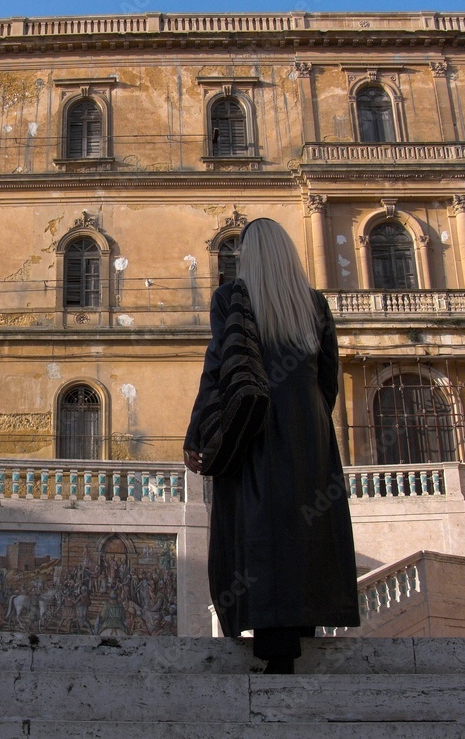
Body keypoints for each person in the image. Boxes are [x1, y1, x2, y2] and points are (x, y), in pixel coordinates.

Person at [184, 218, 360, 674]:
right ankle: (302, 629)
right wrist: (314, 420)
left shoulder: (230, 298)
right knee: (307, 524)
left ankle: (274, 643)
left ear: (249, 255)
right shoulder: (315, 303)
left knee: (258, 523)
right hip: (309, 421)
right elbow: (328, 376)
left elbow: (219, 369)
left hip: (257, 421)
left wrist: (197, 433)